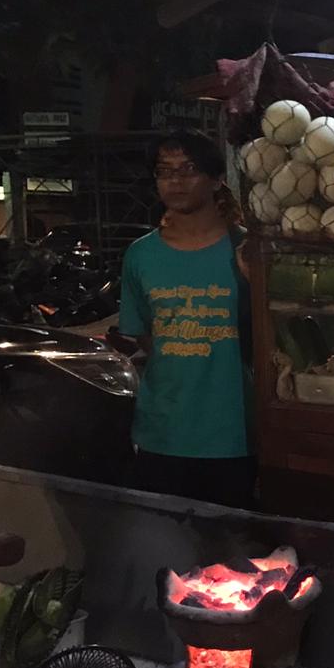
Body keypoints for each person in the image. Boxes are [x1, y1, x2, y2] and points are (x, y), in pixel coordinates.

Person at [118, 129, 255, 509]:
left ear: (216, 179)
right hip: (164, 434)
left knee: (235, 560)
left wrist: (252, 284)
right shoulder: (140, 256)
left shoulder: (248, 251)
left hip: (236, 434)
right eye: (165, 171)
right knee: (167, 553)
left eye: (189, 169)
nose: (176, 180)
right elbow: (145, 336)